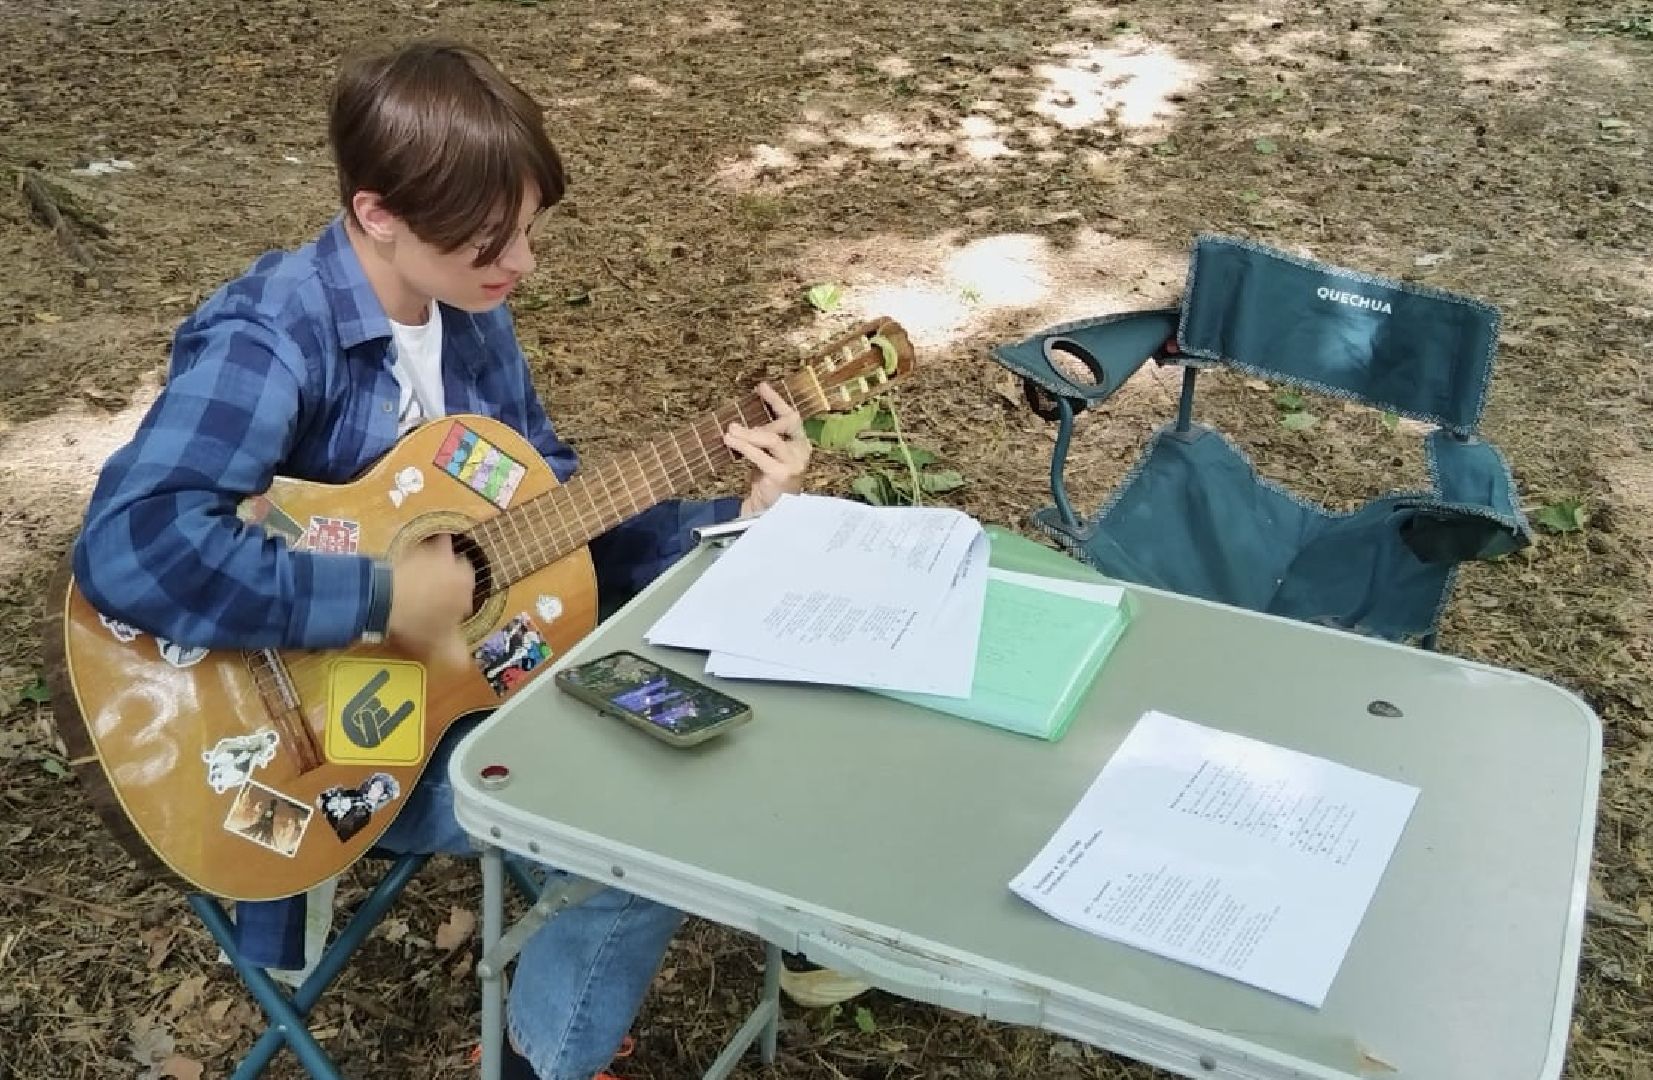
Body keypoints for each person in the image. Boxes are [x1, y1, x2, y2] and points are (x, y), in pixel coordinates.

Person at [71, 38, 825, 1080]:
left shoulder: (471, 317)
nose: (518, 268)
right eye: (487, 244)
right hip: (306, 749)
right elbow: (131, 546)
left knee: (704, 740)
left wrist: (735, 512)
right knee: (641, 839)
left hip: (470, 689)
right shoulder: (270, 337)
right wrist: (377, 596)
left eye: (526, 235)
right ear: (377, 212)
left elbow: (550, 514)